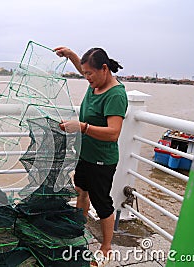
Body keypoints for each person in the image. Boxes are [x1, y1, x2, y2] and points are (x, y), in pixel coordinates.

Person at [55, 46, 128, 262]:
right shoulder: (94, 83)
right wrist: (71, 55)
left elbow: (114, 133)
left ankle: (106, 248)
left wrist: (82, 127)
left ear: (104, 69)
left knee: (102, 203)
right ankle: (79, 228)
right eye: (84, 74)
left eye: (89, 74)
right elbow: (84, 68)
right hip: (85, 155)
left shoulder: (115, 94)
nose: (86, 77)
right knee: (81, 191)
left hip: (102, 160)